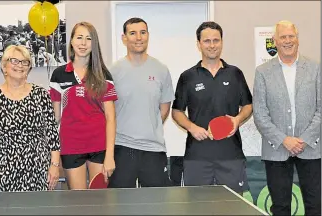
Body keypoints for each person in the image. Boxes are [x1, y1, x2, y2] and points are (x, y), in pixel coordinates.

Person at [171, 21, 253, 194]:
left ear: (222, 42)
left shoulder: (235, 74)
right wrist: (192, 127)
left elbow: (248, 105)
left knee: (232, 208)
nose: (212, 45)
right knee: (198, 207)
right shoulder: (187, 76)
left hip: (231, 156)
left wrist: (237, 119)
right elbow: (176, 111)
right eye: (207, 41)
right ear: (199, 44)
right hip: (197, 158)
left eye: (216, 40)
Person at [253, 20, 320, 216]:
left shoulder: (316, 69)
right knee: (280, 207)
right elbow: (260, 113)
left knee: (315, 206)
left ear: (297, 39)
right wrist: (284, 140)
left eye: (291, 36)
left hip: (311, 148)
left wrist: (304, 139)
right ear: (275, 41)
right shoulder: (262, 72)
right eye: (283, 37)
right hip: (277, 149)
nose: (287, 41)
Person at [0, 45, 61, 192]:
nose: (20, 65)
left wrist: (54, 165)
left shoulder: (41, 95)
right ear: (4, 66)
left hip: (39, 169)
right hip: (4, 171)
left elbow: (52, 133)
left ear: (29, 68)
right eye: (14, 61)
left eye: (25, 62)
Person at [49, 21, 117, 190]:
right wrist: (53, 159)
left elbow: (111, 117)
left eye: (88, 38)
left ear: (94, 44)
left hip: (99, 145)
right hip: (71, 145)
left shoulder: (103, 74)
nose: (83, 43)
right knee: (78, 203)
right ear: (71, 41)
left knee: (100, 202)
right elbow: (55, 119)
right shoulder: (58, 75)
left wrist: (110, 155)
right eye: (79, 37)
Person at [108, 17, 174, 188]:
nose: (139, 37)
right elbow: (108, 112)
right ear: (124, 38)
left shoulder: (161, 69)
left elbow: (164, 109)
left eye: (143, 32)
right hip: (122, 148)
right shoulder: (113, 71)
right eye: (133, 33)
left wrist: (149, 127)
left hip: (154, 149)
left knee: (157, 205)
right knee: (120, 205)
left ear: (148, 35)